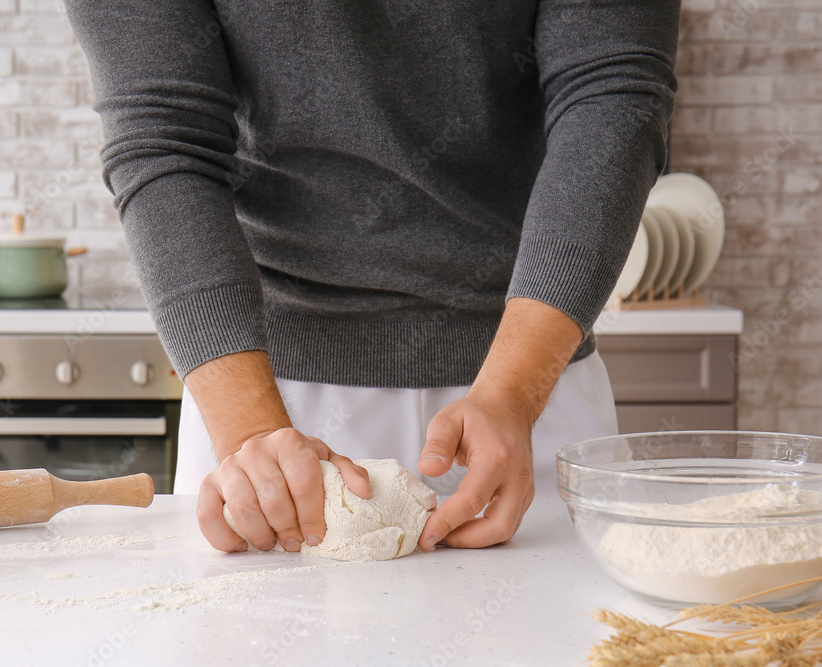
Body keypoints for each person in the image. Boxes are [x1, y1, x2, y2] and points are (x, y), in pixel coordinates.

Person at [65, 0, 678, 554]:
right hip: (269, 412)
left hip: (529, 388)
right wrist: (250, 429)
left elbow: (612, 94)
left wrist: (514, 393)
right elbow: (165, 138)